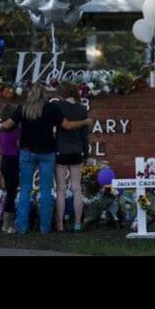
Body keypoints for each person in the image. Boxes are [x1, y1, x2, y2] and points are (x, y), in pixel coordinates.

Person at [1, 83, 92, 234]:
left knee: (25, 189)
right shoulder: (51, 108)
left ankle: (22, 227)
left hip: (27, 153)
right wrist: (85, 121)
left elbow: (6, 125)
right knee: (45, 191)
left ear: (31, 94)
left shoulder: (23, 108)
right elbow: (67, 126)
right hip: (47, 153)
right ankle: (45, 228)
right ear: (44, 94)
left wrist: (8, 127)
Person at [53, 82, 89, 232]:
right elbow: (84, 136)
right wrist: (86, 153)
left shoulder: (58, 106)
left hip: (61, 150)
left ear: (61, 93)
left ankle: (60, 224)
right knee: (77, 188)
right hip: (77, 151)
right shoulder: (83, 109)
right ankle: (77, 224)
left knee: (60, 189)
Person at [0, 103, 21, 233]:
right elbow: (19, 147)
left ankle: (5, 224)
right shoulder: (17, 132)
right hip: (13, 162)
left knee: (9, 193)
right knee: (12, 194)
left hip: (4, 162)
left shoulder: (2, 132)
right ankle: (8, 226)